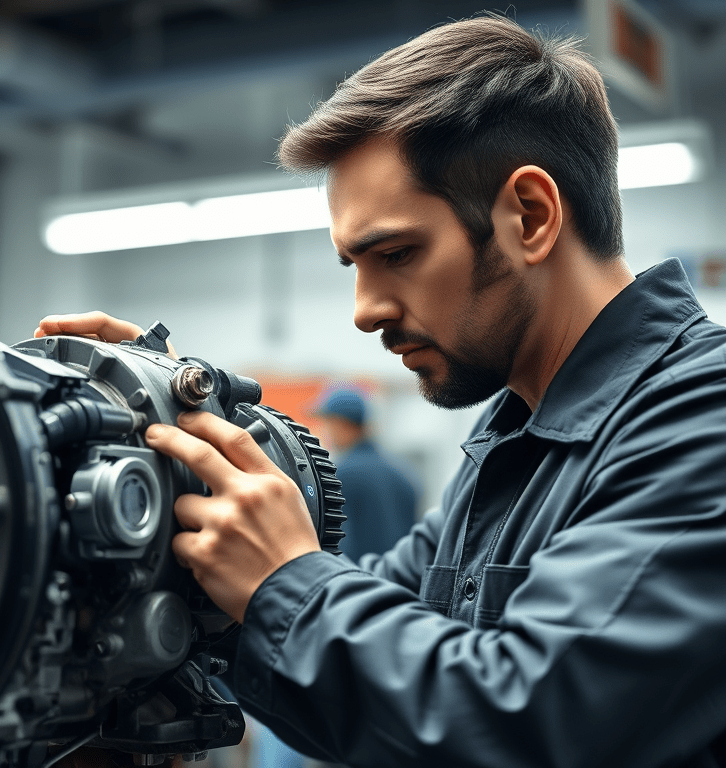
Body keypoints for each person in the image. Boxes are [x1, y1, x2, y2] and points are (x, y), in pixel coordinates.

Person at [36, 14, 726, 768]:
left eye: (396, 253)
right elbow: (394, 637)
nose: (365, 310)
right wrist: (170, 442)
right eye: (353, 267)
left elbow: (535, 723)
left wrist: (279, 583)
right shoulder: (517, 435)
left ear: (529, 216)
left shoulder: (698, 416)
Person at [314, 387, 419, 561]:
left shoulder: (340, 475)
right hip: (402, 580)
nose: (326, 432)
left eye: (327, 424)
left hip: (360, 580)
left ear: (342, 424)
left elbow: (337, 543)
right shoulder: (402, 473)